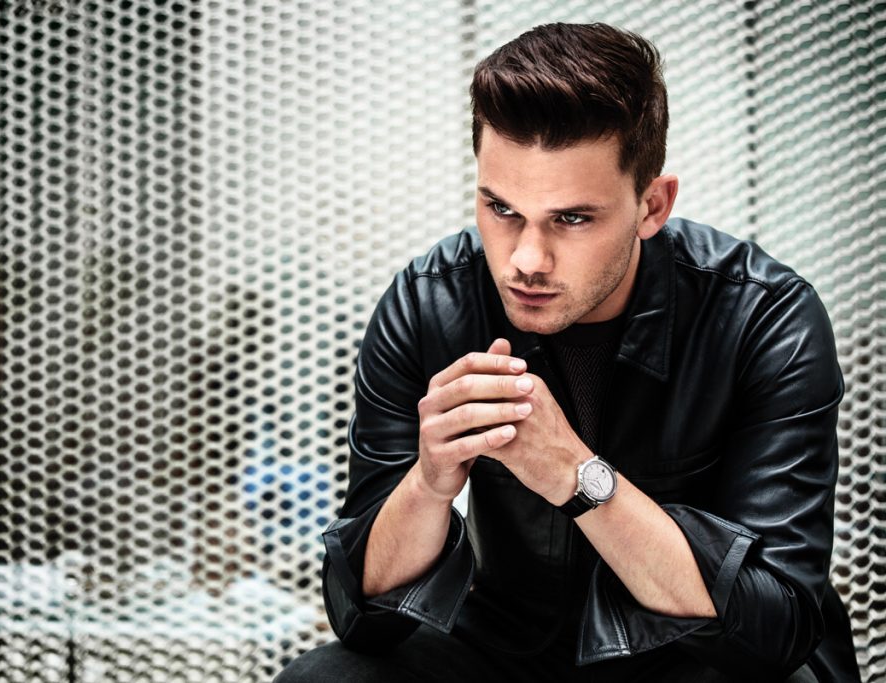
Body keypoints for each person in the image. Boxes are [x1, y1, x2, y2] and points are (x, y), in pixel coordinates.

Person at [275, 22, 860, 682]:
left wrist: (576, 476)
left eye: (572, 218)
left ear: (652, 205)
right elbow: (362, 617)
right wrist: (430, 483)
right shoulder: (430, 303)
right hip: (506, 647)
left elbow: (775, 626)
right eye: (502, 209)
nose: (526, 259)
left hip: (695, 659)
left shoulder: (764, 317)